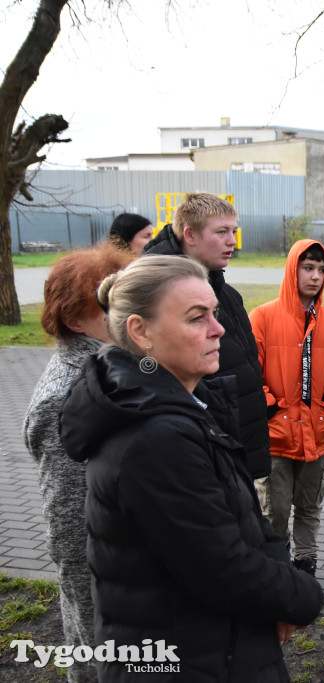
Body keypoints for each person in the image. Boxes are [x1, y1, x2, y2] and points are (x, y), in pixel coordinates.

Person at [59, 256, 323, 681]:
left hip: (221, 645)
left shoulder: (192, 404)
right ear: (140, 332)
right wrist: (302, 596)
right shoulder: (154, 439)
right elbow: (221, 566)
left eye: (214, 313)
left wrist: (278, 578)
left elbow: (246, 520)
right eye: (196, 318)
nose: (217, 329)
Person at [22, 243, 133, 683]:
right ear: (73, 319)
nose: (127, 316)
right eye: (109, 308)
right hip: (99, 573)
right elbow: (68, 520)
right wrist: (90, 602)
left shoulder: (113, 366)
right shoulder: (65, 396)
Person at [144, 192, 271, 482]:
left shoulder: (227, 294)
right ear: (189, 234)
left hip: (234, 452)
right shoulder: (158, 296)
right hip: (197, 461)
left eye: (234, 232)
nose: (232, 242)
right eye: (222, 232)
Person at [249, 239, 324, 577]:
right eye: (308, 268)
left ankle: (305, 565)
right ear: (292, 269)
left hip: (316, 435)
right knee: (275, 510)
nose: (315, 276)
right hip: (276, 437)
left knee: (309, 507)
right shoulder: (263, 318)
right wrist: (269, 407)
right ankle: (276, 567)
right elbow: (250, 372)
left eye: (322, 270)